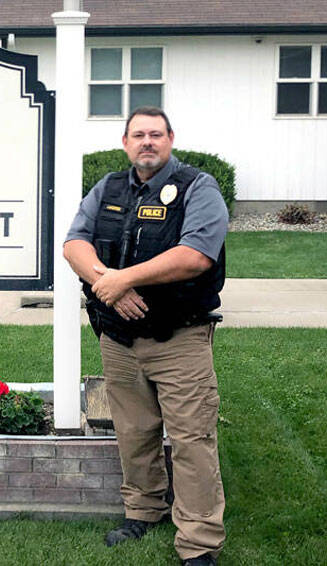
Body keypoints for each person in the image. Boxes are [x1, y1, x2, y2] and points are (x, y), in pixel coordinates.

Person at [63, 107, 228, 566]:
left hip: (179, 338)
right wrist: (108, 286)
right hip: (117, 338)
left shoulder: (199, 189)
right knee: (134, 432)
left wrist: (124, 278)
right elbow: (75, 243)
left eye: (156, 134)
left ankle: (198, 544)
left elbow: (196, 255)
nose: (147, 142)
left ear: (171, 138)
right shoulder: (109, 187)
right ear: (125, 142)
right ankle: (143, 510)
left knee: (192, 440)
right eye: (139, 135)